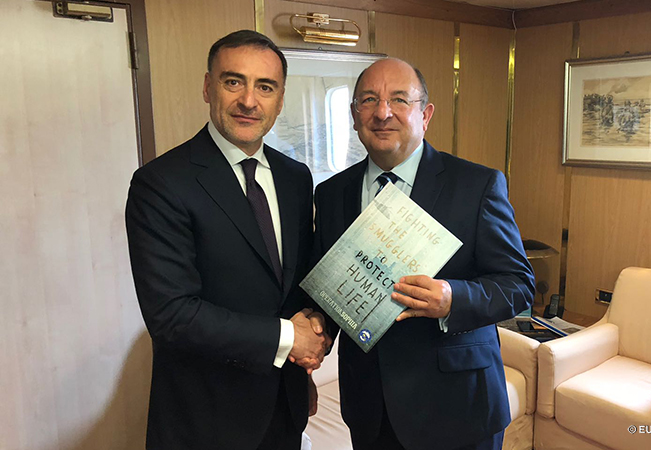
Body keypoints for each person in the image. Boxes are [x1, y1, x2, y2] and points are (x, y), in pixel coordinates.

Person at [312, 58, 535, 450]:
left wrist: (452, 299)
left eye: (400, 99)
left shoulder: (477, 185)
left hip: (459, 406)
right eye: (369, 100)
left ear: (425, 114)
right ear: (354, 114)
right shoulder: (331, 194)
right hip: (370, 406)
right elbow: (332, 287)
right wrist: (312, 330)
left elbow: (518, 285)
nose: (383, 113)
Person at [125, 30, 329, 450]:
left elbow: (294, 286)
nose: (249, 101)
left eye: (265, 87)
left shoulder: (295, 177)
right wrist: (288, 339)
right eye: (233, 81)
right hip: (205, 420)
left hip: (284, 406)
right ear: (207, 87)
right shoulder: (161, 183)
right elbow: (172, 315)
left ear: (280, 99)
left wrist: (313, 335)